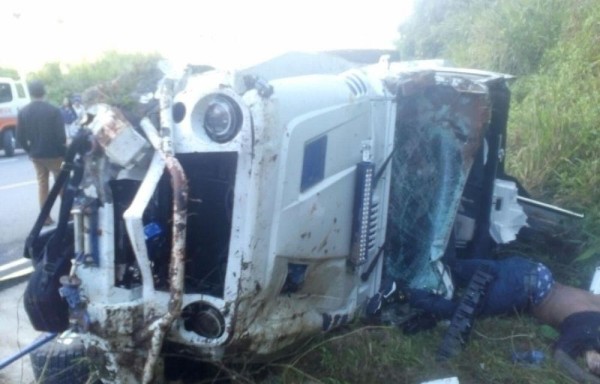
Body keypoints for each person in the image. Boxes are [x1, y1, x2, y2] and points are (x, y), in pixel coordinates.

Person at [378, 255, 600, 381]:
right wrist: (588, 379)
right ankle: (402, 291)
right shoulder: (588, 327)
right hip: (522, 289)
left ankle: (407, 260)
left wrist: (591, 351)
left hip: (531, 269)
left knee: (454, 267)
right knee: (462, 312)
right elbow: (560, 356)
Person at [16, 80, 66, 226]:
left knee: (42, 184)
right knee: (61, 183)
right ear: (44, 92)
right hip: (54, 154)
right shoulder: (53, 110)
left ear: (30, 93)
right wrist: (62, 151)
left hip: (36, 155)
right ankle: (67, 213)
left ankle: (45, 217)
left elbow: (19, 137)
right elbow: (61, 137)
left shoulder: (23, 112)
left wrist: (30, 150)